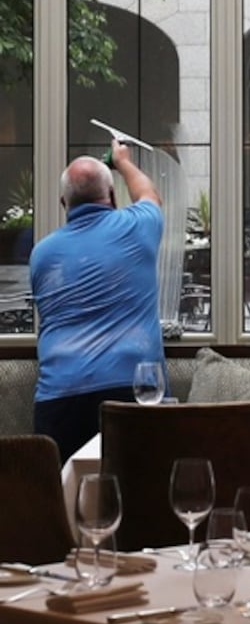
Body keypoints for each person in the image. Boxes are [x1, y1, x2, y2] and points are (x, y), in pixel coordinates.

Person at [29, 140, 164, 463]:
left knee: (66, 507)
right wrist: (123, 162)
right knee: (143, 500)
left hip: (59, 401)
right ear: (113, 197)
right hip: (134, 393)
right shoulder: (137, 226)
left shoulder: (42, 255)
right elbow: (149, 196)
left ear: (64, 203)